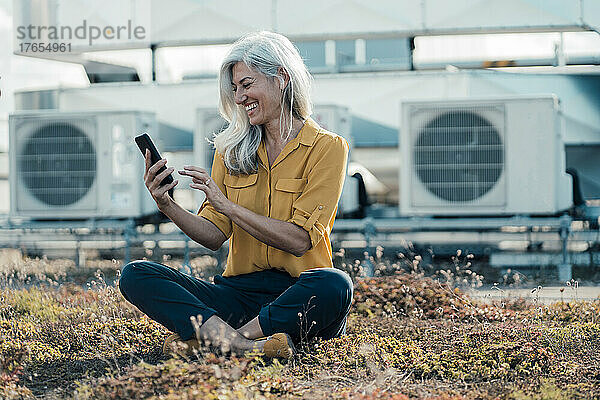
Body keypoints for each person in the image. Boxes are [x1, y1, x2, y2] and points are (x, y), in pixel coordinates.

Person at [119, 31, 353, 359]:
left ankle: (220, 340)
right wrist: (166, 204)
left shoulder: (328, 147)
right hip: (237, 295)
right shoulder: (230, 150)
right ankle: (246, 345)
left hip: (297, 296)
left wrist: (228, 205)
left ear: (281, 78)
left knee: (336, 284)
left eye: (246, 84)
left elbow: (300, 240)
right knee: (136, 274)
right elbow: (214, 236)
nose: (240, 97)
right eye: (234, 89)